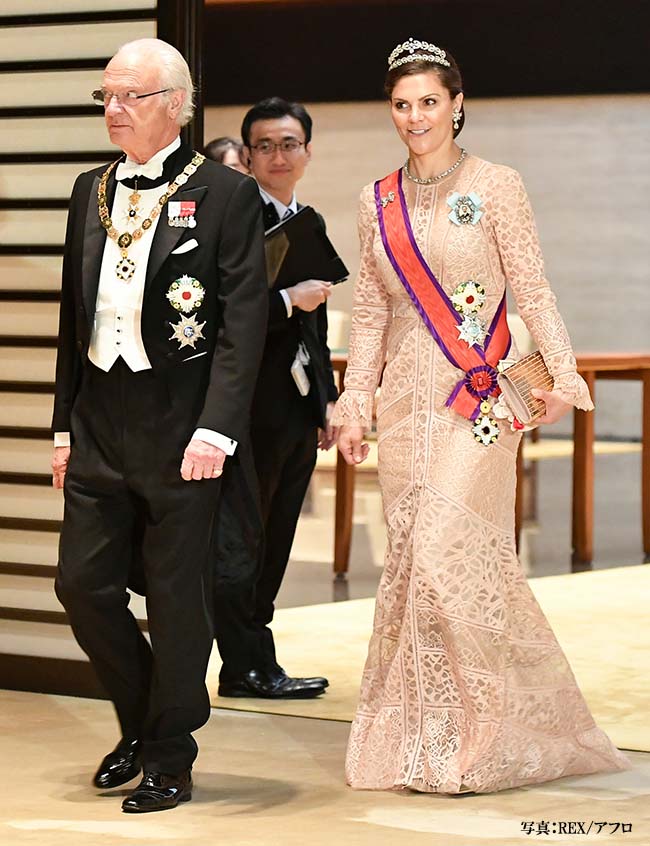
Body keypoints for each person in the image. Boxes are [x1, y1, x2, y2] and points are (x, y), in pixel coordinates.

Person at [333, 38, 629, 793]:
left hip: (478, 402)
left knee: (448, 554)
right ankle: (426, 739)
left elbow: (532, 289)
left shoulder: (497, 185)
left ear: (457, 103)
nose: (415, 117)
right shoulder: (376, 201)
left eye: (429, 102)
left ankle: (485, 738)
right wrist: (355, 396)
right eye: (402, 104)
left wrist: (562, 374)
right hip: (405, 404)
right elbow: (368, 313)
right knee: (412, 569)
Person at [51, 38, 267, 812]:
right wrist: (62, 430)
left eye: (129, 96)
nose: (112, 110)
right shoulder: (90, 188)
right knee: (81, 585)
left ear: (176, 103)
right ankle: (144, 720)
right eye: (105, 96)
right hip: (101, 420)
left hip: (184, 430)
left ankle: (170, 756)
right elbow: (74, 316)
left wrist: (218, 428)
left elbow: (245, 325)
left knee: (178, 602)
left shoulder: (225, 194)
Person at [213, 98, 338, 699]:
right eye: (265, 145)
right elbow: (218, 317)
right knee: (242, 539)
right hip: (244, 406)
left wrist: (329, 402)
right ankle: (244, 663)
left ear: (307, 152)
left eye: (290, 143)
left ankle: (255, 659)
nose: (279, 155)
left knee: (279, 532)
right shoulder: (232, 219)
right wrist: (289, 300)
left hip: (294, 405)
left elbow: (316, 328)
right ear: (248, 155)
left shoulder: (304, 220)